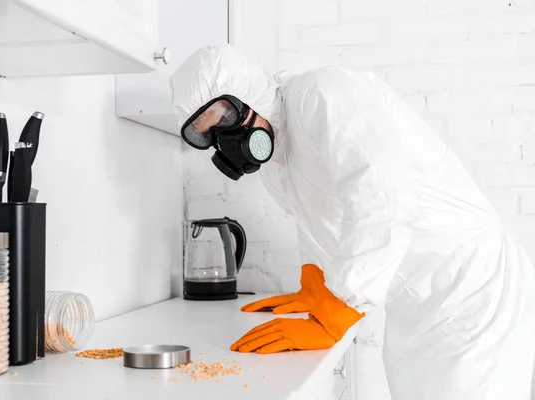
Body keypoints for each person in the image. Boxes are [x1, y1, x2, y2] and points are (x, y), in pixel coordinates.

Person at [170, 42, 535, 400]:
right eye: (209, 134)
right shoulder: (279, 160)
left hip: (475, 289)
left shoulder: (323, 93)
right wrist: (314, 284)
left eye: (224, 118)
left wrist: (335, 312)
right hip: (417, 303)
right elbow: (315, 219)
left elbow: (383, 196)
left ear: (245, 91)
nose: (225, 139)